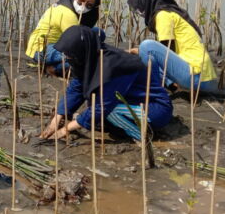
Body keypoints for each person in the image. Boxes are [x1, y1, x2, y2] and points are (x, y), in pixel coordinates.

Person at [41, 26, 173, 142]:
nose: (67, 58)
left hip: (155, 109)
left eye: (70, 55)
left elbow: (103, 107)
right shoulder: (88, 58)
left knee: (106, 111)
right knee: (94, 112)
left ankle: (142, 134)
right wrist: (57, 119)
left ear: (81, 52)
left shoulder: (113, 66)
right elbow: (76, 88)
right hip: (131, 102)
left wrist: (65, 130)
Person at [127, 0, 221, 94]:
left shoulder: (163, 15)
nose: (139, 12)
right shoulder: (172, 13)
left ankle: (155, 91)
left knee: (147, 46)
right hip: (206, 79)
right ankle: (170, 84)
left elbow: (165, 52)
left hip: (196, 77)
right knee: (146, 53)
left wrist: (138, 51)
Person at [25, 0, 101, 76]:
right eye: (81, 1)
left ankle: (54, 62)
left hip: (58, 43)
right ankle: (53, 68)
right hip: (42, 49)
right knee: (85, 60)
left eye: (89, 5)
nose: (83, 7)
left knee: (98, 32)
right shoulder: (68, 14)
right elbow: (77, 43)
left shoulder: (67, 2)